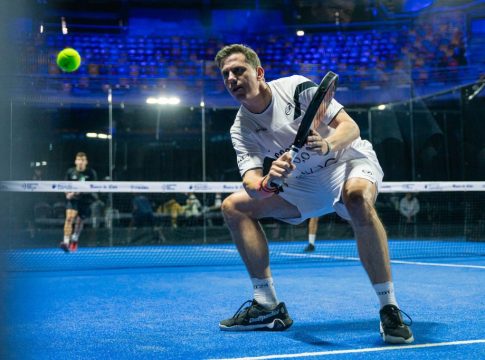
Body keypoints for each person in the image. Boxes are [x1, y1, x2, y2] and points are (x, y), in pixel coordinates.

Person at [214, 44, 413, 344]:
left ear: (258, 73)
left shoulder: (295, 89)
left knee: (356, 198)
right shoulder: (241, 129)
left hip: (345, 161)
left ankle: (390, 308)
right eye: (226, 74)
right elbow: (253, 186)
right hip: (303, 183)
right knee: (234, 207)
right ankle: (267, 305)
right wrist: (269, 181)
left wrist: (328, 144)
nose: (232, 78)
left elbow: (351, 127)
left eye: (238, 70)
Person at [60, 152, 98, 253]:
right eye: (79, 160)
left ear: (86, 162)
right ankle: (66, 242)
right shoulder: (70, 172)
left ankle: (75, 239)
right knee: (69, 219)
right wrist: (67, 193)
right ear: (76, 161)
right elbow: (64, 185)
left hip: (86, 200)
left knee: (79, 222)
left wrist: (78, 191)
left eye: (83, 160)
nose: (81, 162)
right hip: (73, 200)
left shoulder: (91, 173)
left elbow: (94, 187)